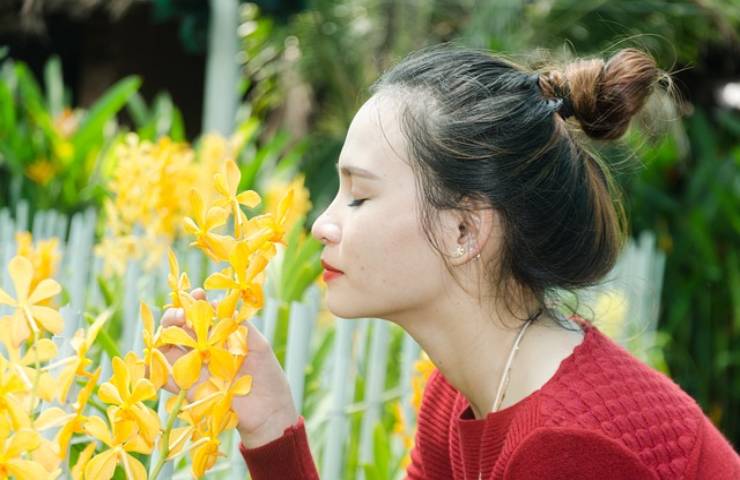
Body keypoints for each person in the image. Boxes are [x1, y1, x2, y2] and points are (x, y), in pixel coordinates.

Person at [160, 44, 740, 479]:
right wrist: (269, 422)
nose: (322, 224)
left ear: (464, 229)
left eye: (359, 196)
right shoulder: (462, 393)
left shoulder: (567, 448)